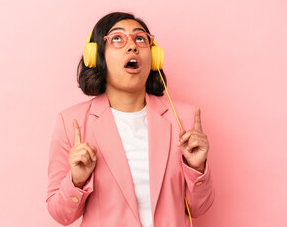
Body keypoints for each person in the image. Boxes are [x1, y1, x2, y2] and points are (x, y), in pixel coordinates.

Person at [46, 12, 214, 227]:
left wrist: (198, 169)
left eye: (140, 39)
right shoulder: (71, 122)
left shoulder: (185, 119)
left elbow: (199, 208)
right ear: (96, 56)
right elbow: (61, 215)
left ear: (154, 57)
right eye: (117, 38)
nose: (132, 46)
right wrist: (76, 180)